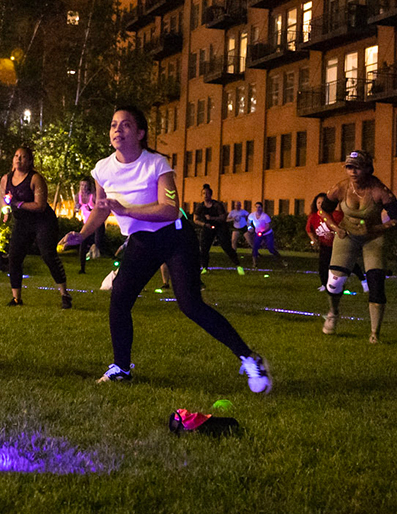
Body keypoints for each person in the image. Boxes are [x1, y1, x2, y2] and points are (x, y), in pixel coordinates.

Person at [61, 106, 271, 392]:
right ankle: (121, 368)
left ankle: (250, 359)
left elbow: (170, 210)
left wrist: (127, 209)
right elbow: (100, 207)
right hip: (141, 242)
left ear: (140, 133)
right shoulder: (103, 169)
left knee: (191, 305)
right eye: (113, 125)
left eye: (125, 125)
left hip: (175, 238)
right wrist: (82, 234)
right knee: (119, 300)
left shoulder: (157, 164)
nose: (117, 130)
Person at [319, 150, 397, 343]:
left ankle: (375, 333)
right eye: (349, 167)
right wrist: (335, 227)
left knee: (376, 282)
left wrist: (378, 227)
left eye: (357, 167)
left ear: (367, 168)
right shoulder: (340, 188)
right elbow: (324, 209)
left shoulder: (379, 190)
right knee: (335, 280)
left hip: (373, 238)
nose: (353, 172)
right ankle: (333, 312)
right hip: (347, 235)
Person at [0, 146, 72, 308]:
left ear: (30, 161)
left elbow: (40, 206)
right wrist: (6, 211)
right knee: (14, 257)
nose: (19, 159)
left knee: (48, 255)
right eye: (16, 156)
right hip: (22, 222)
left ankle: (64, 294)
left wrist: (18, 204)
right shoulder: (6, 178)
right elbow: (5, 199)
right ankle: (16, 298)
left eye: (23, 157)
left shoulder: (35, 179)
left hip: (42, 221)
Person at [306, 192, 366, 293]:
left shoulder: (335, 215)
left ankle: (363, 281)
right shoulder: (313, 217)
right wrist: (313, 239)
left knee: (347, 263)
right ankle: (324, 284)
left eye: (323, 202)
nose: (320, 205)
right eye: (318, 202)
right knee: (323, 265)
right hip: (325, 245)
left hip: (338, 244)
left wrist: (335, 232)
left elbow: (343, 227)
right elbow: (309, 229)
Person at [192, 184, 244, 275]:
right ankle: (204, 267)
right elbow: (195, 219)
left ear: (211, 194)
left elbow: (223, 217)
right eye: (203, 193)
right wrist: (204, 224)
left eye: (207, 193)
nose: (205, 195)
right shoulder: (200, 206)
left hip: (220, 227)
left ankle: (238, 265)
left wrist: (212, 218)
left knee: (226, 246)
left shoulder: (217, 205)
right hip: (207, 227)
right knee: (204, 247)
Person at [76, 177, 109, 274]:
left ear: (89, 186)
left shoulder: (93, 196)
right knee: (82, 244)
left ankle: (115, 257)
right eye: (82, 185)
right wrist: (77, 208)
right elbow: (76, 207)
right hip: (87, 224)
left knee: (99, 243)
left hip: (97, 223)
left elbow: (99, 208)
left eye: (85, 185)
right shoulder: (78, 196)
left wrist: (92, 209)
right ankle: (82, 269)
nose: (83, 187)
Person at [246, 200, 283, 268]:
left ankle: (280, 259)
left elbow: (268, 226)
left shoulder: (265, 216)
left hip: (267, 234)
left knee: (270, 248)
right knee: (255, 247)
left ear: (262, 208)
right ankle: (255, 263)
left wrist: (262, 232)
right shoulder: (252, 215)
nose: (258, 209)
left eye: (259, 207)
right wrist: (249, 227)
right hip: (258, 233)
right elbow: (248, 222)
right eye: (256, 207)